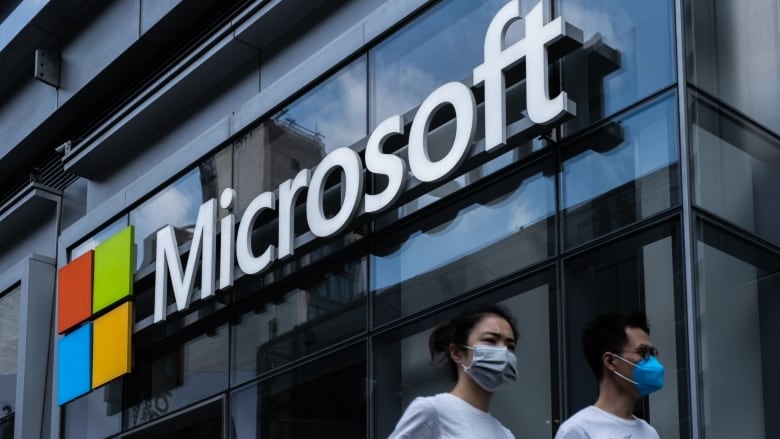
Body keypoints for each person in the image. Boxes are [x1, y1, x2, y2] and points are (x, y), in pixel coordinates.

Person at [388, 305, 518, 438]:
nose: (503, 352)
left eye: (510, 346)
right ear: (456, 353)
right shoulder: (432, 411)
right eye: (490, 340)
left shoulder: (506, 435)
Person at [555, 312, 663, 439]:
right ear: (610, 361)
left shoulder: (649, 433)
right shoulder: (579, 430)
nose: (651, 361)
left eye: (652, 353)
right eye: (642, 352)